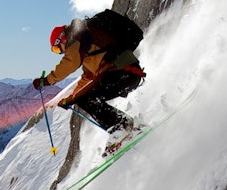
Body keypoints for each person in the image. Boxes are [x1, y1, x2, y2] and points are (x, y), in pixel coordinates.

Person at [33, 12, 146, 151]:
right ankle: (127, 127)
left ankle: (122, 126)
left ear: (61, 39)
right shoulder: (87, 51)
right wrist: (70, 98)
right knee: (85, 98)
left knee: (86, 100)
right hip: (127, 74)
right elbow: (86, 80)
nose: (60, 52)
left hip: (123, 72)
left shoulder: (76, 37)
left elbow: (69, 63)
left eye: (57, 49)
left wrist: (47, 80)